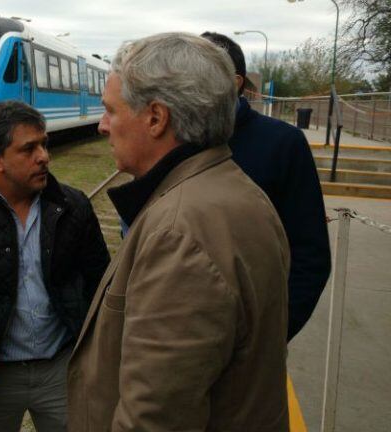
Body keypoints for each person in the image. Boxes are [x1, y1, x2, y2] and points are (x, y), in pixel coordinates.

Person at [67, 33, 290, 431]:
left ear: (155, 118)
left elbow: (155, 418)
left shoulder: (179, 232)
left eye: (111, 111)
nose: (102, 126)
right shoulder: (235, 190)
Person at [0, 101, 110, 432]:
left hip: (62, 368)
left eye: (44, 144)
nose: (44, 157)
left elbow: (100, 282)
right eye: (29, 149)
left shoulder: (73, 205)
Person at [202, 31, 331, 341]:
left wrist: (272, 335)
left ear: (235, 82)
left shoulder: (284, 144)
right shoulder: (178, 136)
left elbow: (310, 254)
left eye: (199, 73)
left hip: (252, 341)